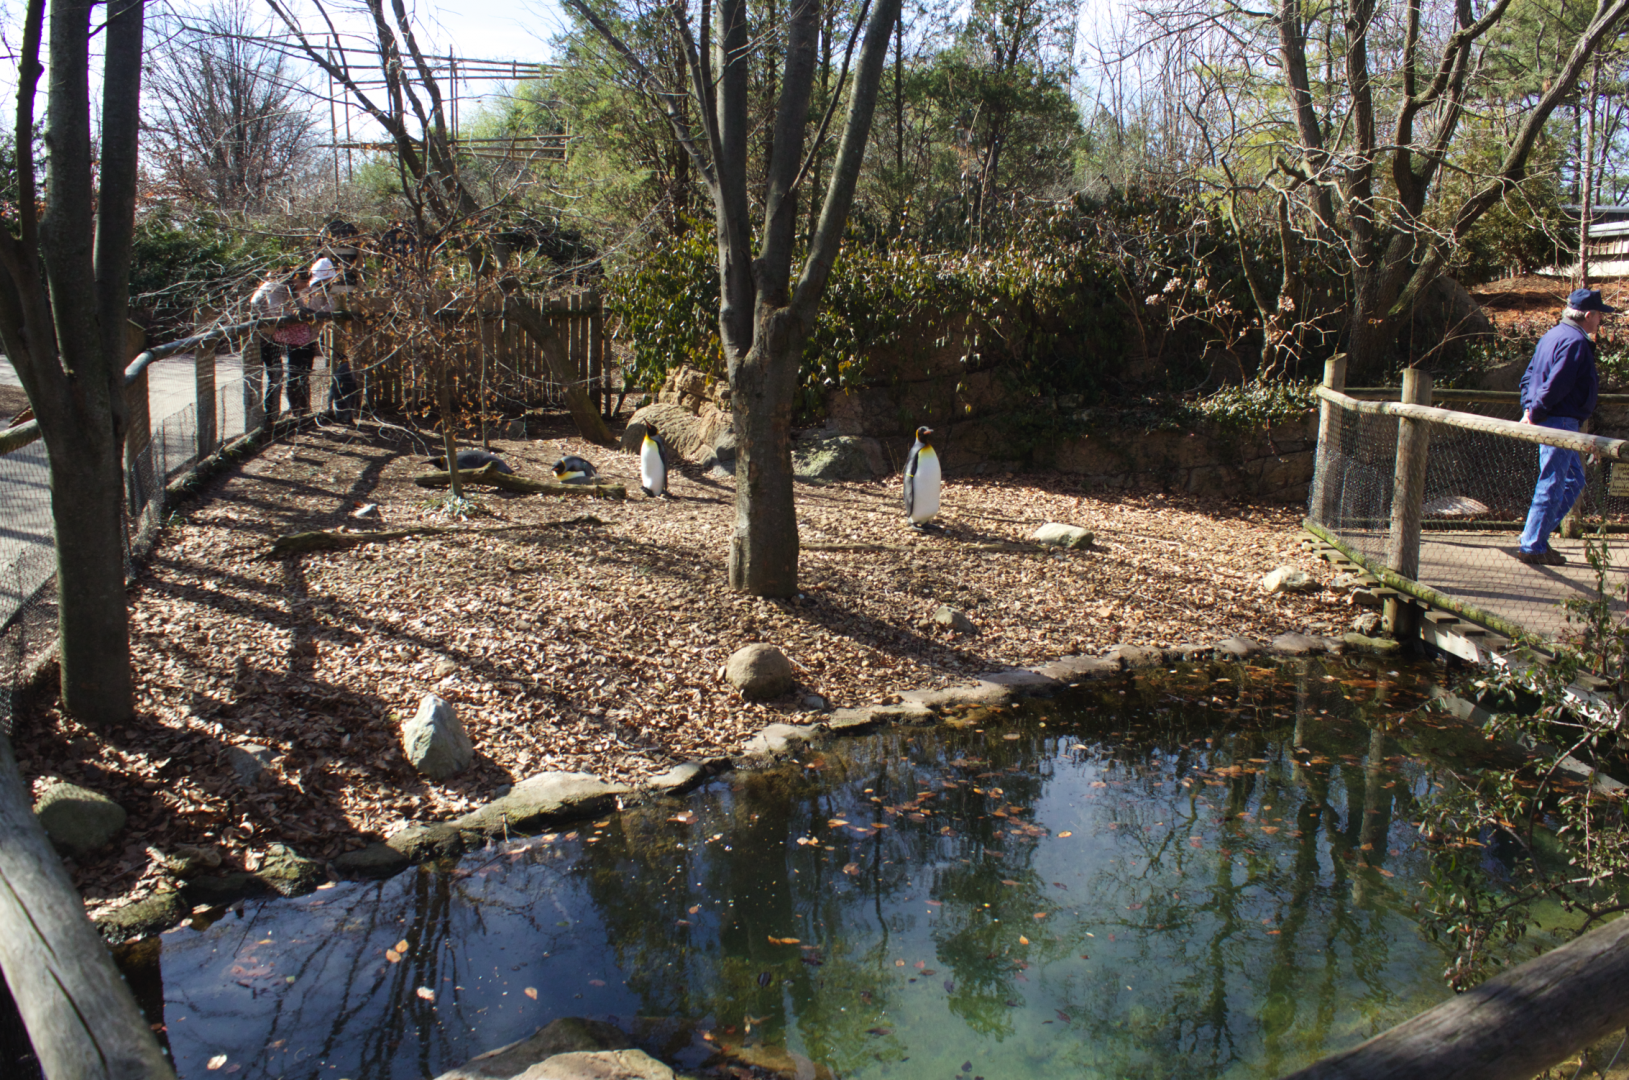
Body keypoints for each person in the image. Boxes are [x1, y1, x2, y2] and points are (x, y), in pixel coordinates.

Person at [1514, 287, 1617, 566]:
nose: (1600, 322)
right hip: (1559, 421)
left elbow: (1529, 377)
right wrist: (1533, 410)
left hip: (1555, 417)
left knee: (1573, 480)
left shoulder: (1552, 336)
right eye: (1599, 316)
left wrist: (1529, 407)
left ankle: (1534, 537)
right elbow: (1556, 384)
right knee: (1554, 481)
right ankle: (1532, 545)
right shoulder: (1575, 342)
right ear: (1588, 314)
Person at [248, 268, 313, 427]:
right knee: (274, 375)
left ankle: (281, 414)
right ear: (294, 279)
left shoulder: (290, 290)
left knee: (282, 374)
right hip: (263, 336)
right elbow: (277, 311)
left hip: (274, 334)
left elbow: (297, 307)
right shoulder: (276, 288)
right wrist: (298, 313)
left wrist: (303, 311)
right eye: (303, 282)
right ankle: (268, 418)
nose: (305, 286)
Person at [302, 256, 359, 422]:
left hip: (334, 336)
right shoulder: (316, 291)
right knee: (337, 374)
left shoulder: (331, 289)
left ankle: (337, 410)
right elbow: (322, 309)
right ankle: (333, 410)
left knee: (341, 374)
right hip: (319, 336)